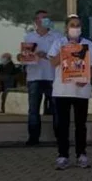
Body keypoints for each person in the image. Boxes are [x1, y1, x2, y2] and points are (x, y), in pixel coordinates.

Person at [47, 15, 92, 170]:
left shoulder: (87, 44)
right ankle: (63, 156)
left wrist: (87, 77)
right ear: (66, 28)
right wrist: (66, 50)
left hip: (81, 90)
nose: (75, 28)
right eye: (72, 25)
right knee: (62, 125)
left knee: (80, 124)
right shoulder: (58, 43)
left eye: (77, 25)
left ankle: (81, 155)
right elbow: (53, 63)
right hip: (62, 91)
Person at [21, 10, 62, 145]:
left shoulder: (57, 36)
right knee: (33, 110)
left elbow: (63, 56)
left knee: (57, 109)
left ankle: (60, 137)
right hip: (34, 77)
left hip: (53, 77)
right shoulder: (29, 37)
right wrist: (22, 57)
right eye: (43, 18)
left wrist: (47, 56)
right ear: (36, 21)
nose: (46, 20)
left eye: (47, 17)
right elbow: (25, 55)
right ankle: (33, 138)